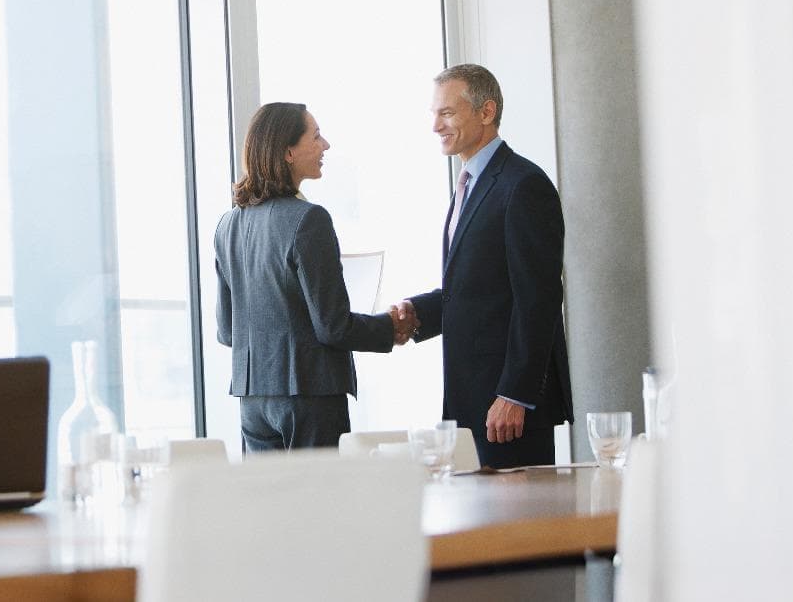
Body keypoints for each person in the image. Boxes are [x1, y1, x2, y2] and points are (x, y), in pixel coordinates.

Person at [390, 65, 573, 468]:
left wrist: (514, 395)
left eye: (448, 113)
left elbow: (538, 299)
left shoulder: (523, 185)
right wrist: (418, 313)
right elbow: (478, 289)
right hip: (470, 404)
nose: (436, 126)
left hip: (508, 411)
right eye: (434, 114)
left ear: (486, 112)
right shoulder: (468, 184)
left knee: (518, 529)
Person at [214, 102, 411, 452]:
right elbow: (333, 327)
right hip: (310, 394)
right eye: (316, 136)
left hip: (252, 400)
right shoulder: (309, 219)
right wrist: (389, 328)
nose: (326, 146)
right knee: (319, 505)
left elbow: (228, 330)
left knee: (270, 506)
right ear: (288, 151)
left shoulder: (228, 225)